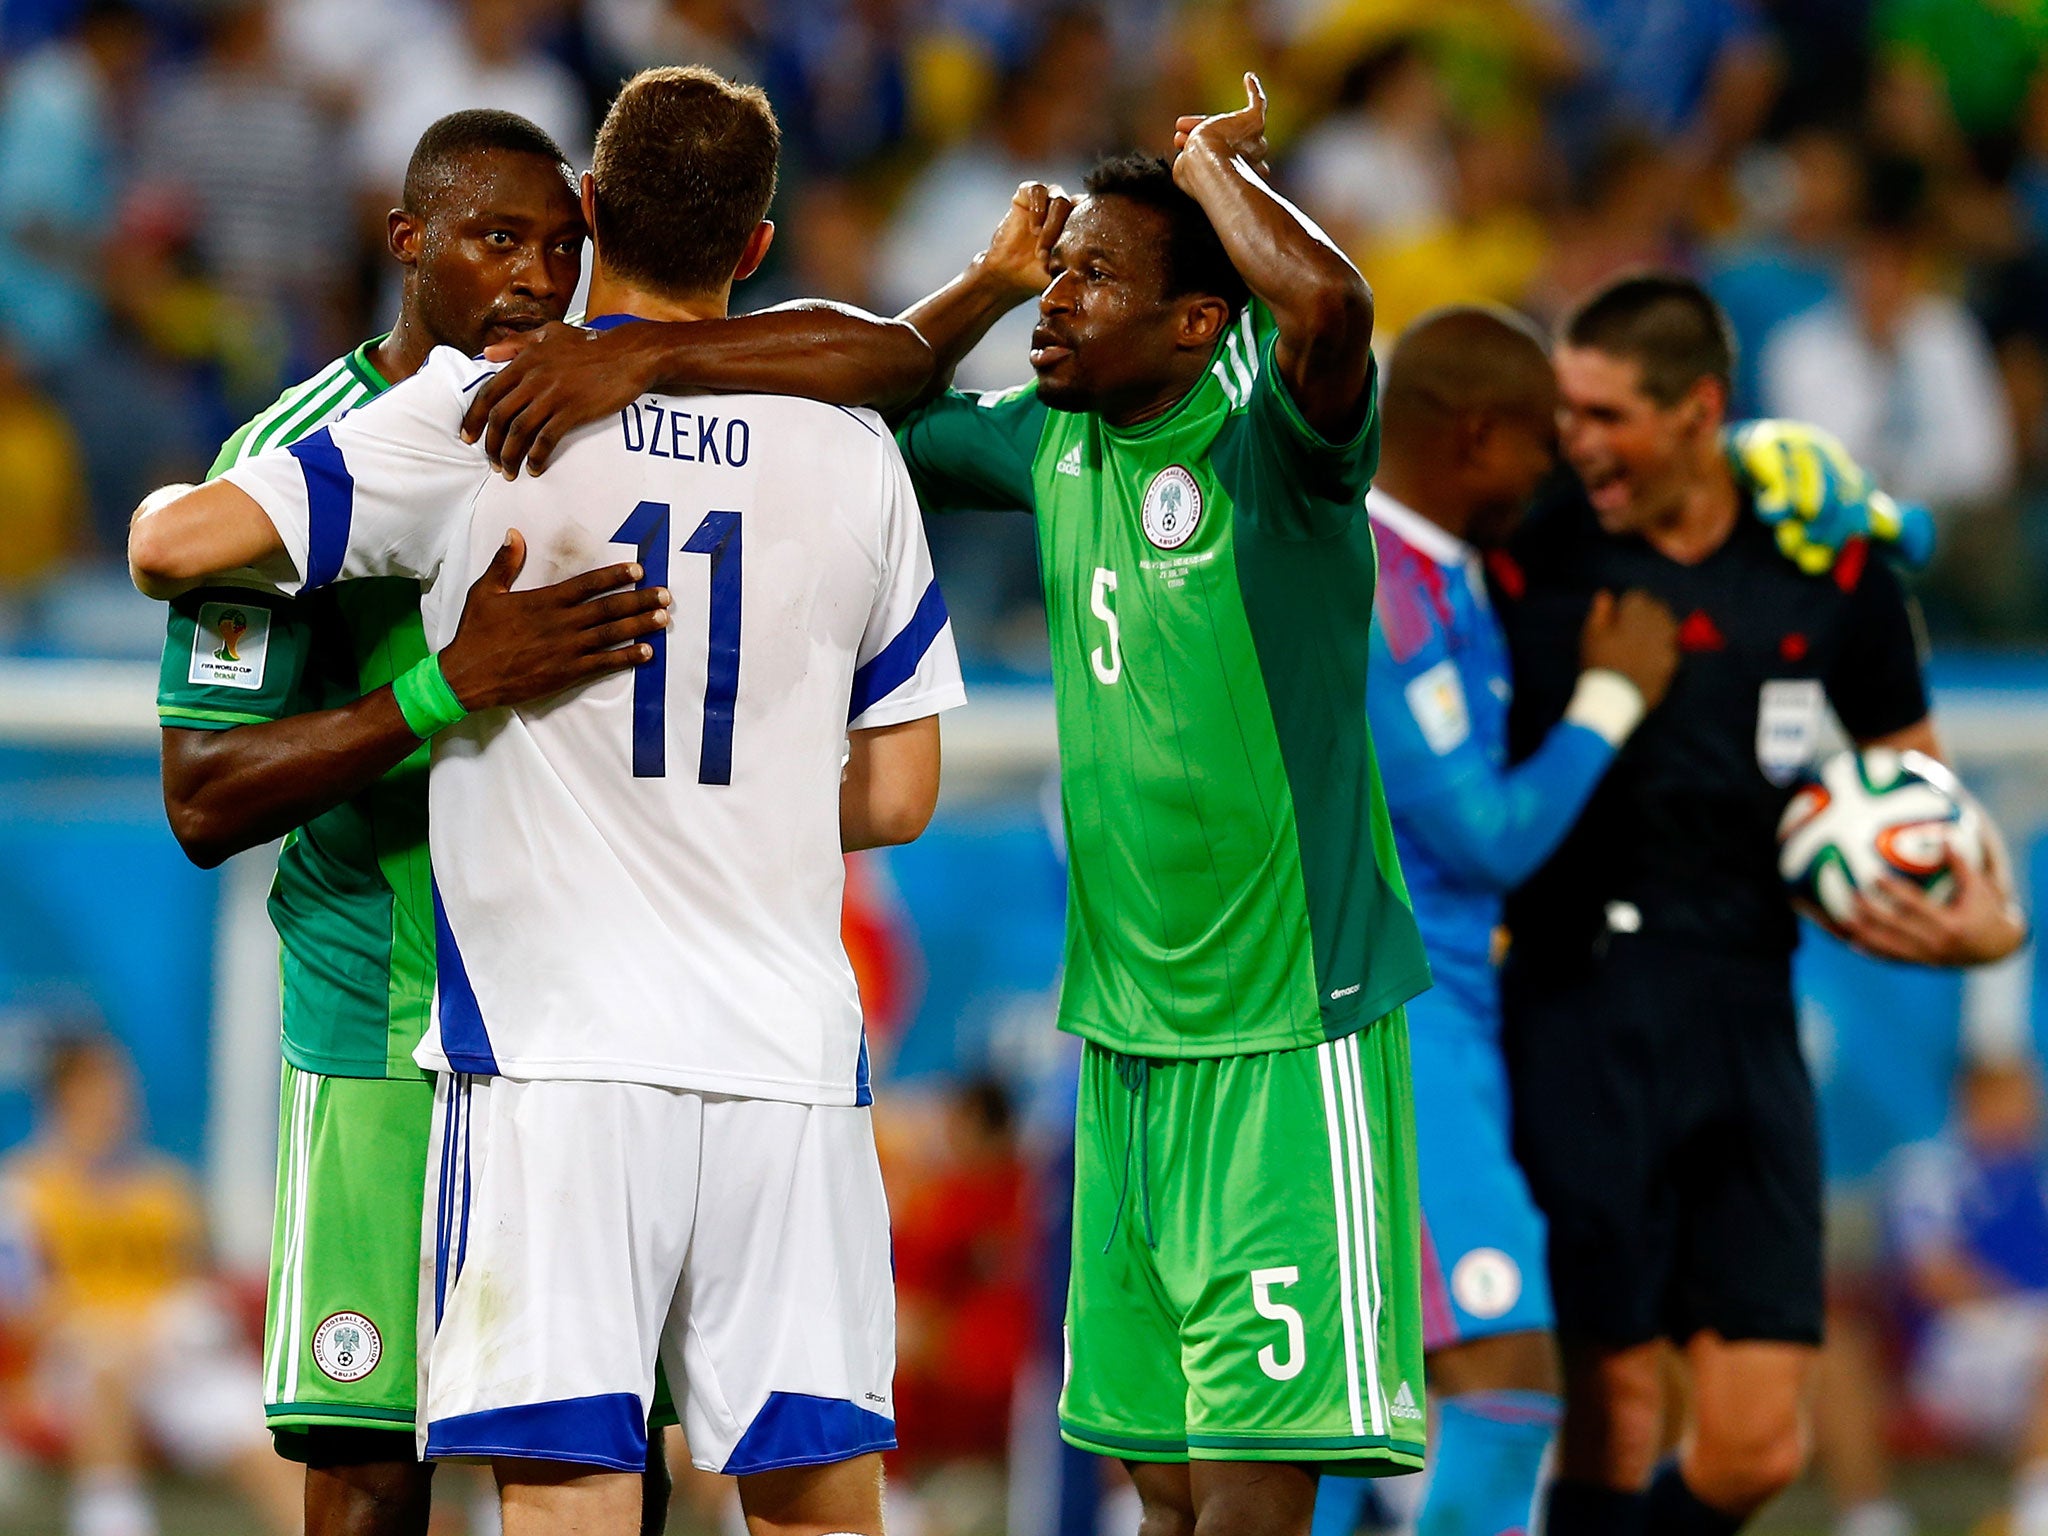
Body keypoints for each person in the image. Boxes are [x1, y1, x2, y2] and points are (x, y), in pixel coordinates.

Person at [130, 64, 964, 1536]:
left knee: (569, 1486)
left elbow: (175, 544)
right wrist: (733, 795)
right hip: (757, 1051)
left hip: (542, 1047)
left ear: (592, 214)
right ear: (759, 246)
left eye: (545, 244)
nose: (524, 274)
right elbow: (897, 791)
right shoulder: (853, 440)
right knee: (813, 1496)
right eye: (488, 243)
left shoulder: (478, 416)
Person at [890, 76, 1432, 1536]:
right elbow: (876, 411)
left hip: (1280, 1039)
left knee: (1256, 1493)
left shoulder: (1280, 456)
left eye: (1092, 280)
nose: (1054, 304)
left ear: (1197, 322)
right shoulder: (1050, 443)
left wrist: (1207, 171)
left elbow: (1329, 313)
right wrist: (984, 280)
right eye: (1055, 276)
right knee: (1168, 1495)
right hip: (1124, 1048)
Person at [1493, 271, 2027, 1536]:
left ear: (1699, 413)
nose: (1575, 438)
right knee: (1615, 1409)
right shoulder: (1536, 544)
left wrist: (1980, 928)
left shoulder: (1824, 567)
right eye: (1566, 409)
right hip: (1574, 999)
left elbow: (1920, 789)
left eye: (1607, 412)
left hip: (1745, 1005)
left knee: (1749, 1450)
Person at [1309, 306, 1679, 1536]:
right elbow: (1488, 836)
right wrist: (1613, 700)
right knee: (1504, 1372)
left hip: (1445, 1032)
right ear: (1473, 438)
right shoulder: (1375, 589)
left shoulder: (1445, 579)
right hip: (1395, 1037)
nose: (1552, 467)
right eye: (1537, 442)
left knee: (1321, 1413)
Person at [0, 1037, 300, 1536]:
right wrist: (109, 1331)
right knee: (106, 1366)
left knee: (265, 1432)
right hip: (69, 1362)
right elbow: (20, 1307)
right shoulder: (24, 1190)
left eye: (119, 1089)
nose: (116, 1102)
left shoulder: (166, 1190)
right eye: (100, 1089)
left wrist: (177, 1324)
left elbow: (202, 1290)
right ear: (64, 1096)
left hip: (171, 1360)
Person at [1886, 1057, 2048, 1536]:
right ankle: (2034, 1518)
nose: (2022, 1110)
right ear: (1972, 1101)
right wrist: (2023, 1308)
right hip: (1955, 1345)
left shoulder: (2037, 1174)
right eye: (2008, 1097)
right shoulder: (1930, 1171)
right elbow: (1933, 1276)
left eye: (2027, 1096)